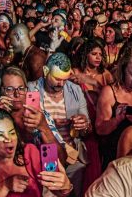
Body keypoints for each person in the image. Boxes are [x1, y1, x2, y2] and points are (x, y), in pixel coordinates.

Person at [0, 107, 73, 197]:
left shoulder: (29, 152)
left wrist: (65, 186)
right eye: (0, 134)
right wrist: (5, 185)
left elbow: (58, 190)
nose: (9, 139)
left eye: (12, 133)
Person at [29, 52, 90, 193]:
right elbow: (27, 129)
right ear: (45, 71)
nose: (61, 84)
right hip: (43, 157)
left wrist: (83, 124)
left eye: (65, 79)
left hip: (72, 157)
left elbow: (88, 129)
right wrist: (49, 125)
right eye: (57, 79)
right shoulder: (32, 89)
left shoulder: (75, 90)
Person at [96, 45, 132, 169]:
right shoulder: (110, 91)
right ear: (123, 71)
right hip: (114, 156)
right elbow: (100, 129)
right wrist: (118, 119)